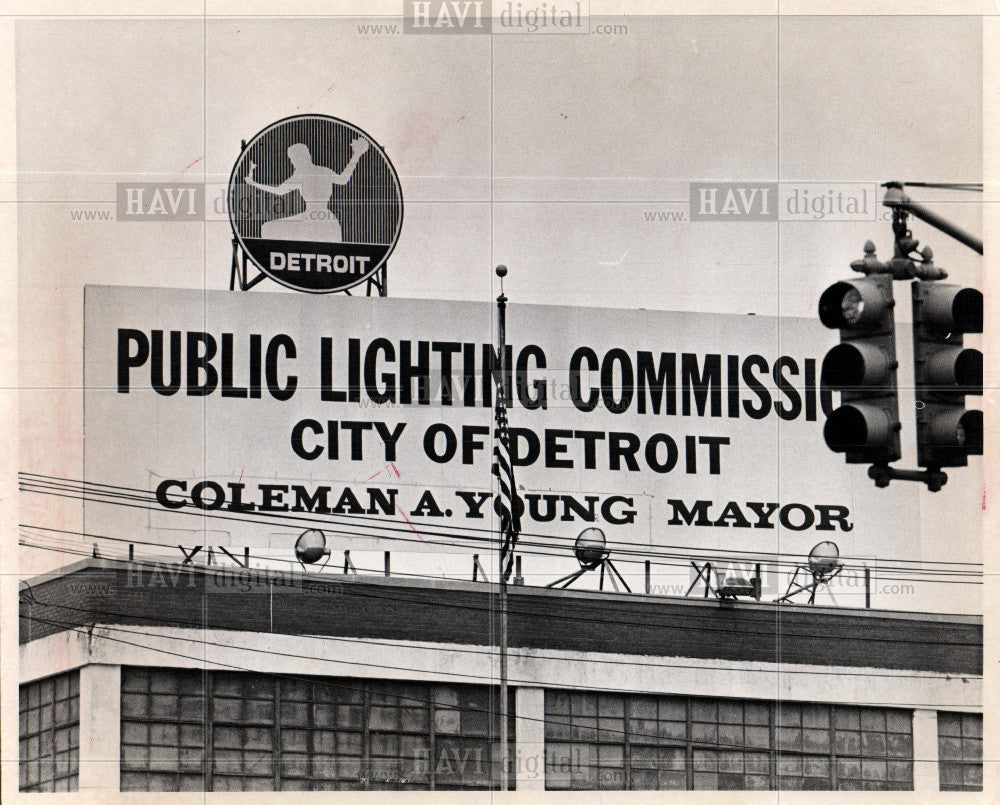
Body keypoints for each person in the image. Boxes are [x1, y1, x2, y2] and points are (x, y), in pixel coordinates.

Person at [245, 138, 369, 242]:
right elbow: (343, 179)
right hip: (321, 219)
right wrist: (356, 155)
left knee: (268, 228)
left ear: (303, 157)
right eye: (291, 159)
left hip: (314, 219)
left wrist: (253, 183)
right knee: (269, 228)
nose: (293, 162)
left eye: (293, 158)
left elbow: (279, 191)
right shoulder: (321, 171)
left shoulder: (302, 175)